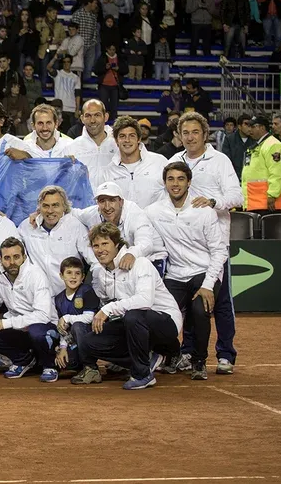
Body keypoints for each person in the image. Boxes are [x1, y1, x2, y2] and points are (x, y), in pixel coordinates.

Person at [169, 111, 242, 375]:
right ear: (179, 135)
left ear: (204, 134)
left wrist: (213, 202)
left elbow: (237, 195)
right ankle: (188, 352)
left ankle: (225, 354)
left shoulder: (219, 160)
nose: (190, 137)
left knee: (220, 301)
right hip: (183, 246)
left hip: (215, 243)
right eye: (185, 132)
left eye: (195, 132)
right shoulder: (175, 160)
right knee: (191, 305)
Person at [71, 223, 182, 390]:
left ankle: (142, 374)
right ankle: (146, 357)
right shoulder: (101, 274)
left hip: (165, 321)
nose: (100, 250)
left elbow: (145, 301)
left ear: (116, 244)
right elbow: (107, 302)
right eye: (96, 245)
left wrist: (107, 310)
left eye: (105, 244)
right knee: (88, 342)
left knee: (133, 316)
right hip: (131, 325)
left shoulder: (141, 263)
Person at [146, 162, 227, 380]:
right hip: (174, 274)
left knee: (200, 311)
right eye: (171, 179)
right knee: (158, 314)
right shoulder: (153, 211)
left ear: (189, 182)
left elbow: (219, 251)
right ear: (165, 183)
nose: (175, 184)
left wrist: (208, 285)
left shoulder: (204, 211)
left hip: (203, 272)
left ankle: (198, 360)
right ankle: (173, 355)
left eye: (180, 179)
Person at [0, 236, 59, 381]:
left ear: (24, 257)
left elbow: (43, 315)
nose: (12, 262)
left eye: (16, 257)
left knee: (36, 331)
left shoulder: (36, 275)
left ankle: (49, 365)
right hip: (18, 327)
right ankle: (23, 360)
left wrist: (8, 323)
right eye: (7, 258)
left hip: (45, 326)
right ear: (1, 259)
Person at [17, 185, 96, 295]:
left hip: (69, 296)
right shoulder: (27, 226)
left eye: (55, 205)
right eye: (45, 206)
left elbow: (93, 261)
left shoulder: (76, 226)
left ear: (64, 206)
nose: (50, 210)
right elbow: (11, 245)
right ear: (39, 207)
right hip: (39, 296)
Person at [106, 115, 168, 209]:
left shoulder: (160, 162)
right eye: (122, 136)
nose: (127, 140)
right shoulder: (109, 171)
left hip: (155, 223)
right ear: (116, 141)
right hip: (123, 223)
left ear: (139, 139)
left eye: (132, 136)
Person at [52, 257, 99, 374]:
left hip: (91, 336)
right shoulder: (59, 299)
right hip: (72, 340)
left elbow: (89, 317)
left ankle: (90, 366)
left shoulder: (86, 291)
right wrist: (63, 348)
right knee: (62, 362)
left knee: (78, 325)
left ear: (82, 277)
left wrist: (67, 317)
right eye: (69, 273)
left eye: (77, 273)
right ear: (61, 276)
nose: (73, 277)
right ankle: (77, 361)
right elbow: (63, 329)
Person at [60, 99, 118, 190]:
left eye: (97, 115)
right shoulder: (71, 148)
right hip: (84, 203)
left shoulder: (118, 145)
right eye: (88, 116)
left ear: (106, 117)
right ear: (82, 118)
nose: (92, 120)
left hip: (113, 202)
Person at [241, 115, 281, 211]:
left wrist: (272, 195)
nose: (250, 130)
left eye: (253, 127)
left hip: (269, 203)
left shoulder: (273, 145)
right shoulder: (257, 145)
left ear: (262, 127)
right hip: (255, 201)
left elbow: (277, 173)